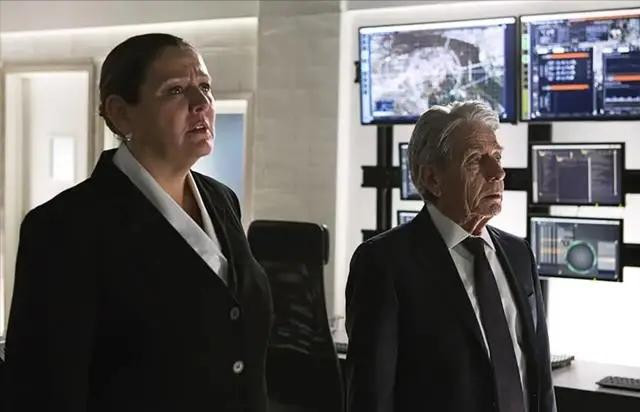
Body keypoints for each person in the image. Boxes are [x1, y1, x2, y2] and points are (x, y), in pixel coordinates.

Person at [4, 33, 273, 412]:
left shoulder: (222, 200)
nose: (201, 103)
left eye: (205, 86)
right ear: (121, 113)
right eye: (175, 90)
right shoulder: (65, 227)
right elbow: (43, 391)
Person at [345, 101, 556, 412]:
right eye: (475, 161)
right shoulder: (384, 263)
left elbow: (541, 381)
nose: (498, 173)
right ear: (432, 178)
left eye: (497, 157)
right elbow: (371, 398)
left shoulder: (519, 254)